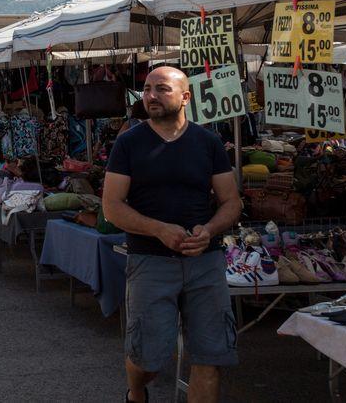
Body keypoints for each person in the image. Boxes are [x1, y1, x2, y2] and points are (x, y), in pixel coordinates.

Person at [101, 66, 242, 403]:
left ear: (185, 97)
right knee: (147, 357)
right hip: (150, 261)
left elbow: (231, 202)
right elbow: (112, 207)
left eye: (162, 89)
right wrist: (158, 229)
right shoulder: (129, 143)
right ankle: (136, 392)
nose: (150, 96)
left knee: (211, 356)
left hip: (204, 262)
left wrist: (208, 230)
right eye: (147, 89)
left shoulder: (207, 142)